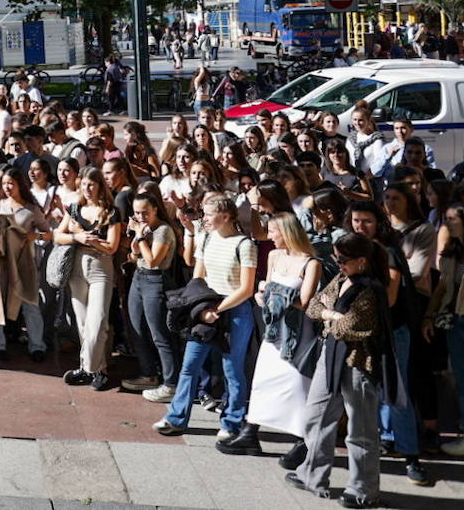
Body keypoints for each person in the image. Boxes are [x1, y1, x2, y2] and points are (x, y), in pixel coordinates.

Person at [288, 234, 401, 509]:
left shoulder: (371, 289)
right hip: (330, 356)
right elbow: (314, 306)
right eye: (335, 259)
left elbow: (351, 327)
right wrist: (331, 315)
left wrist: (331, 319)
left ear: (362, 261)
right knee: (316, 417)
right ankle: (311, 474)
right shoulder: (340, 279)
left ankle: (364, 490)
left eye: (342, 260)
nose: (337, 264)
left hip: (359, 362)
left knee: (360, 430)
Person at [154, 192, 258, 450]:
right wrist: (200, 309)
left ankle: (232, 423)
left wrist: (218, 310)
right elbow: (198, 276)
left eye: (209, 214)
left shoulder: (245, 244)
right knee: (189, 365)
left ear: (225, 216)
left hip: (234, 311)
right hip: (206, 307)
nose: (204, 219)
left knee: (232, 370)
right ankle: (176, 418)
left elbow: (246, 288)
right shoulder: (207, 238)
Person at [245, 214, 321, 460]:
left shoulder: (311, 264)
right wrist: (262, 296)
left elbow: (304, 301)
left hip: (297, 334)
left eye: (273, 232)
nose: (269, 237)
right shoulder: (273, 256)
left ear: (287, 233)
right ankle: (251, 430)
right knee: (263, 380)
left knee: (296, 385)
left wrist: (272, 292)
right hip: (273, 330)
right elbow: (265, 287)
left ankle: (302, 440)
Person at [53, 166, 121, 390]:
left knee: (97, 321)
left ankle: (89, 367)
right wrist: (77, 236)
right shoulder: (74, 208)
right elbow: (58, 236)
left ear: (100, 185)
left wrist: (90, 241)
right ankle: (97, 369)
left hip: (101, 267)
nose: (87, 189)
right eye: (84, 185)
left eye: (91, 184)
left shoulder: (111, 211)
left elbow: (112, 247)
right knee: (82, 324)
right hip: (77, 269)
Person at [426, 202, 464, 457]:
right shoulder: (451, 252)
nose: (447, 223)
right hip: (456, 324)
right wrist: (429, 316)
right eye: (446, 218)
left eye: (452, 219)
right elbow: (442, 287)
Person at [123, 193, 181, 401]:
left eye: (145, 212)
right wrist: (135, 242)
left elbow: (154, 260)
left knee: (160, 334)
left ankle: (171, 383)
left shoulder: (163, 230)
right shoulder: (143, 228)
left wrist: (139, 237)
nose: (140, 216)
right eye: (137, 212)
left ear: (156, 208)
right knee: (137, 329)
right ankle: (149, 374)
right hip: (139, 278)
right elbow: (134, 256)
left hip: (156, 281)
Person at [0, 167, 48, 361]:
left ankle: (37, 345)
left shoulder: (31, 209)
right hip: (0, 261)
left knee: (30, 302)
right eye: (4, 183)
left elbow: (47, 233)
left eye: (11, 183)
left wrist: (33, 236)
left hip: (24, 262)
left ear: (20, 184)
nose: (7, 187)